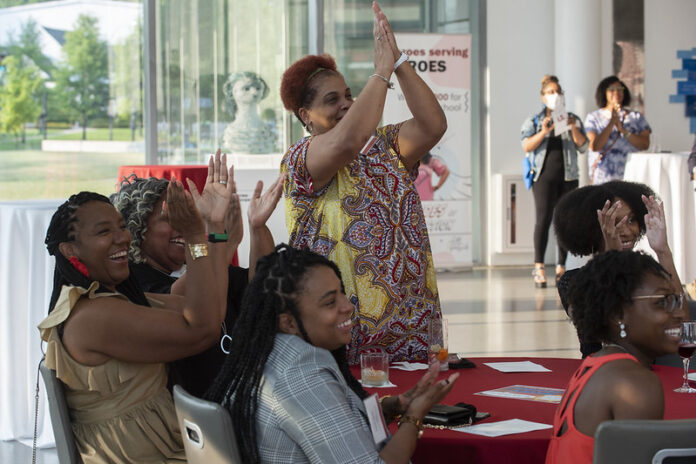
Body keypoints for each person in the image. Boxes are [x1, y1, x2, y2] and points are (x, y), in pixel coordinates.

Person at [279, 1, 447, 364]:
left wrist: (398, 62)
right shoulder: (300, 159)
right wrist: (381, 72)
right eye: (332, 99)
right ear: (305, 116)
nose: (346, 104)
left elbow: (433, 125)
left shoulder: (384, 147)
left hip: (409, 327)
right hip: (345, 335)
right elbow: (347, 140)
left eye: (348, 95)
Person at [38, 161, 232, 463]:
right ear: (70, 250)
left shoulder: (112, 300)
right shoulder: (92, 317)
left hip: (166, 445)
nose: (122, 238)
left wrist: (215, 227)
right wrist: (195, 236)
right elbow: (204, 329)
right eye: (104, 232)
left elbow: (207, 303)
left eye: (121, 226)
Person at [205, 244, 459, 464]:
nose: (348, 307)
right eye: (329, 302)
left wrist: (394, 407)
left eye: (341, 293)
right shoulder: (303, 373)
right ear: (288, 322)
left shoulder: (271, 351)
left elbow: (334, 424)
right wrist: (414, 416)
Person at [111, 152, 284, 397]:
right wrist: (217, 235)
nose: (183, 225)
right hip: (207, 409)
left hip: (247, 391)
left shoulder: (202, 266)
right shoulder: (134, 280)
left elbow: (260, 286)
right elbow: (192, 296)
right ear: (137, 227)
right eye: (170, 218)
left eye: (188, 217)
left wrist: (257, 227)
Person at [545, 250, 686, 464]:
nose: (679, 314)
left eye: (676, 300)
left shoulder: (595, 365)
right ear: (618, 314)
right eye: (662, 302)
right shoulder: (632, 383)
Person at [554, 180, 687, 356]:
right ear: (592, 227)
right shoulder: (573, 281)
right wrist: (612, 258)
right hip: (602, 375)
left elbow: (682, 322)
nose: (626, 230)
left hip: (650, 374)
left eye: (632, 220)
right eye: (615, 222)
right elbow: (602, 328)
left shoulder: (648, 274)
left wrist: (663, 251)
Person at [521, 75, 588, 288]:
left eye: (558, 92)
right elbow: (526, 146)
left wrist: (572, 127)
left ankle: (562, 266)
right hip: (543, 177)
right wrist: (544, 131)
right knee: (543, 219)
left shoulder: (573, 118)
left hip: (569, 177)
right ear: (543, 97)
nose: (555, 96)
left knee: (564, 221)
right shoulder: (534, 120)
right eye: (550, 92)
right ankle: (539, 267)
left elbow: (584, 146)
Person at [585, 75, 651, 184]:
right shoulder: (593, 117)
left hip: (632, 176)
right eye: (611, 89)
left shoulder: (636, 117)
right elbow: (594, 146)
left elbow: (645, 144)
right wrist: (612, 122)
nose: (616, 92)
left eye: (620, 89)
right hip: (603, 178)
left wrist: (624, 131)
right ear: (604, 92)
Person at [222, 71, 276, 153]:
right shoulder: (230, 134)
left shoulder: (267, 133)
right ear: (233, 92)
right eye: (246, 89)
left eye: (258, 88)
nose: (254, 92)